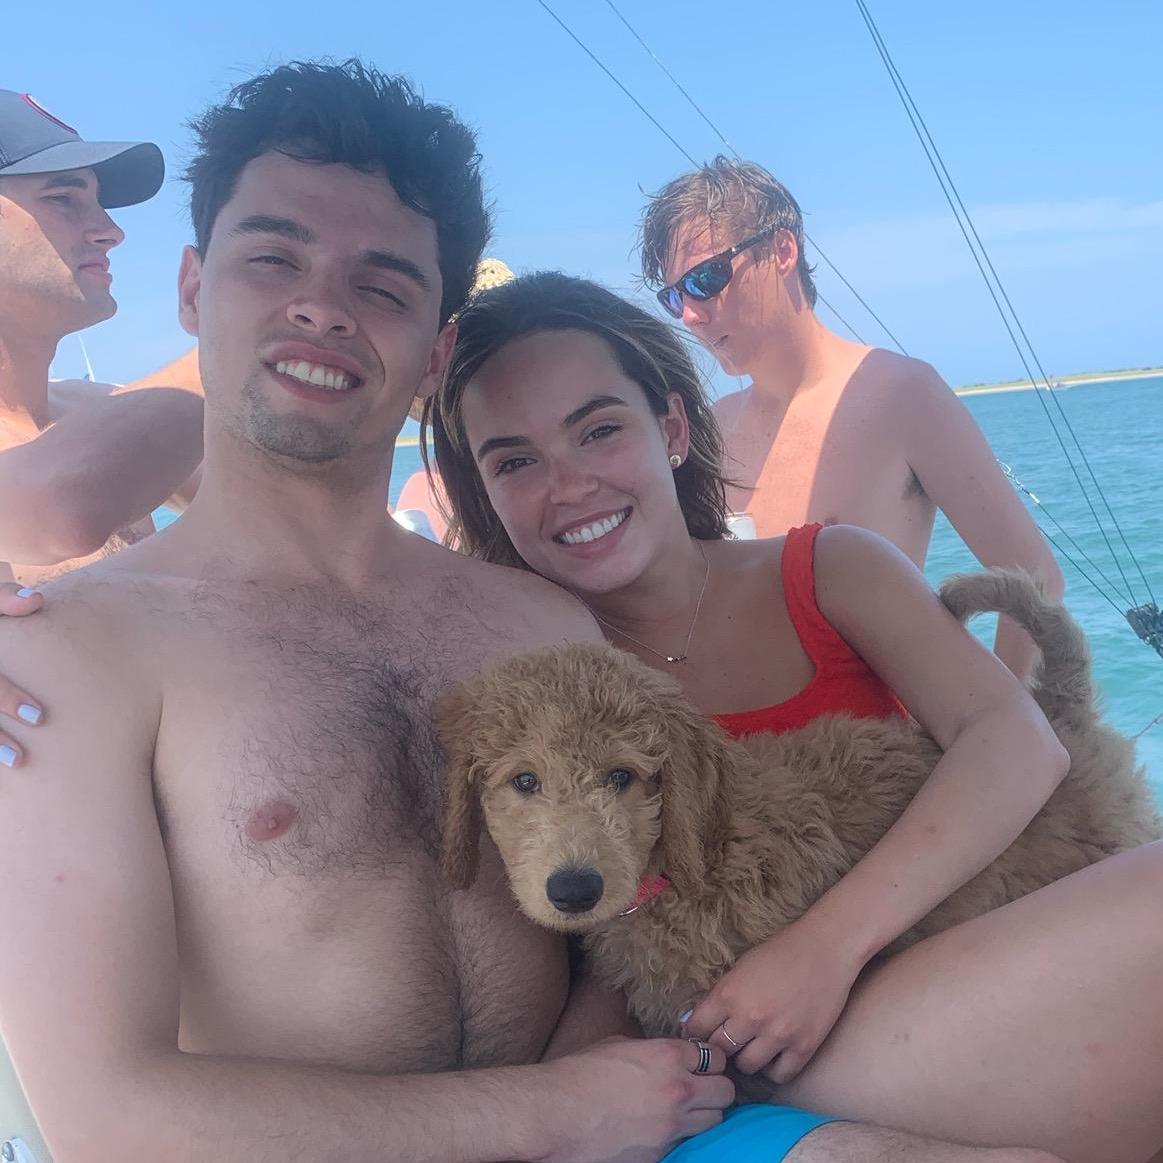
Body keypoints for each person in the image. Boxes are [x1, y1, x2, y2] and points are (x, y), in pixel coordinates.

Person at [0, 64, 1058, 1163]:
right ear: (191, 288)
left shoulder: (538, 623)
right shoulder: (69, 654)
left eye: (384, 284)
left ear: (434, 350)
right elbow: (103, 1115)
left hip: (635, 1130)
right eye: (272, 258)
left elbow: (629, 922)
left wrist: (616, 1082)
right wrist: (550, 1113)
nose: (322, 305)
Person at [423, 269, 1163, 1163]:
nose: (569, 484)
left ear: (672, 427)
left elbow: (1015, 743)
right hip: (768, 1060)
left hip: (928, 967)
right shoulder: (529, 673)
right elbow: (598, 942)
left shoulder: (828, 570)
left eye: (599, 430)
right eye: (514, 461)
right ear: (483, 490)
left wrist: (823, 946)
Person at [638, 157, 1064, 679]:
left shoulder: (902, 394)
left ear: (782, 251)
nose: (690, 314)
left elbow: (1034, 578)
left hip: (880, 726)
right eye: (674, 296)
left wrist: (996, 716)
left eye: (706, 278)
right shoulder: (711, 430)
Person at [0, 89, 205, 599]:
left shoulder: (100, 409)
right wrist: (243, 335)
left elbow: (284, 513)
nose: (112, 232)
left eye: (98, 203)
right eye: (63, 198)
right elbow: (60, 506)